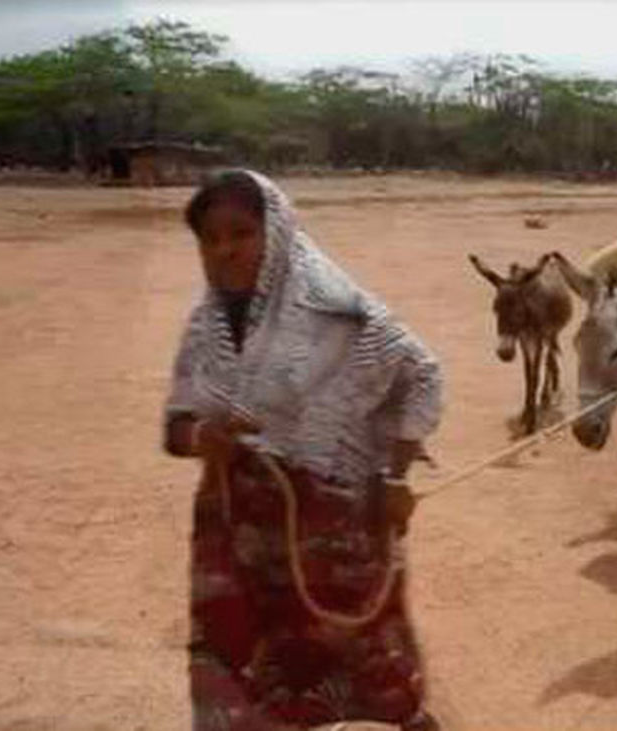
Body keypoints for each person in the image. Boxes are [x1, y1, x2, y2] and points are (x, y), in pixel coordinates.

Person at [162, 169, 444, 730]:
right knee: (237, 656)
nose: (223, 250)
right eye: (210, 238)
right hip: (235, 529)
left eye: (240, 233)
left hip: (339, 529)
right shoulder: (206, 325)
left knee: (360, 651)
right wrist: (202, 437)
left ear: (278, 233)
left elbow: (421, 377)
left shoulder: (341, 311)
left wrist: (395, 479)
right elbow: (176, 427)